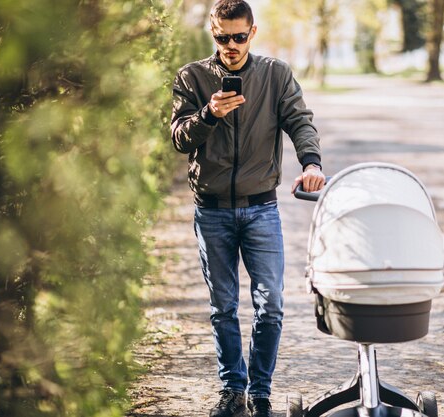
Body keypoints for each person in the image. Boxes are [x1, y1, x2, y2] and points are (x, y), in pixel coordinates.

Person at [170, 1, 325, 416]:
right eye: (222, 37)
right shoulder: (192, 77)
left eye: (239, 37)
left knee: (270, 303)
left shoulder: (275, 74)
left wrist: (311, 163)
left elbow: (300, 120)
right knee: (223, 307)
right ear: (212, 32)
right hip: (213, 210)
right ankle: (232, 390)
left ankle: (259, 393)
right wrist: (208, 114)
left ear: (253, 33)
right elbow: (180, 137)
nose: (231, 46)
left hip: (261, 209)